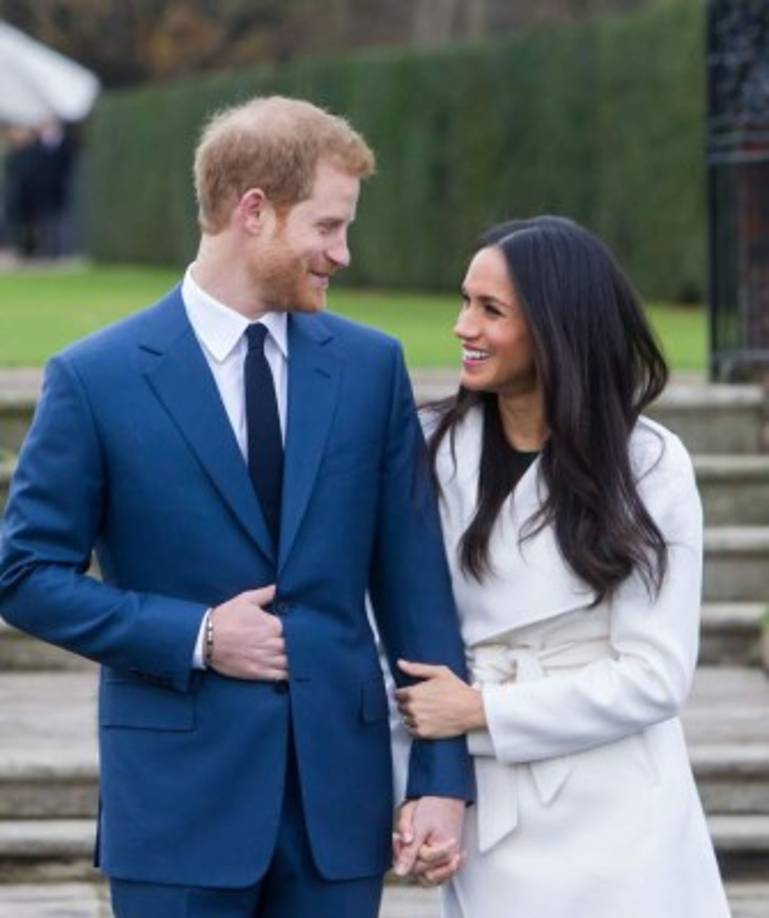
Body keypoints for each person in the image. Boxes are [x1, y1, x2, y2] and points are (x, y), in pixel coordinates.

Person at [0, 96, 473, 917]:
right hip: (177, 807)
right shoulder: (95, 378)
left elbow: (416, 592)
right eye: (327, 227)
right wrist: (198, 636)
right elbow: (24, 572)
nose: (343, 253)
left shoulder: (370, 368)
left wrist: (440, 776)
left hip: (339, 810)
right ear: (254, 211)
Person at [392, 216, 731, 916]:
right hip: (492, 806)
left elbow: (655, 675)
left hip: (619, 808)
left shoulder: (649, 463)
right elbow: (398, 638)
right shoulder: (427, 449)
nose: (462, 327)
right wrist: (421, 785)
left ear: (556, 328)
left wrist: (484, 709)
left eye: (490, 310)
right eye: (464, 301)